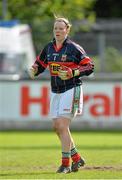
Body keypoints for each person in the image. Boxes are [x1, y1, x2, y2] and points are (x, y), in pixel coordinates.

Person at [29, 16, 94, 174]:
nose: (57, 31)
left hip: (71, 88)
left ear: (67, 30)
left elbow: (90, 66)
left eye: (61, 28)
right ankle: (77, 158)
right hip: (56, 90)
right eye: (55, 28)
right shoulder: (49, 47)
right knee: (57, 128)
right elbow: (41, 63)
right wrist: (34, 69)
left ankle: (65, 164)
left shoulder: (73, 48)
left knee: (62, 126)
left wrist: (74, 72)